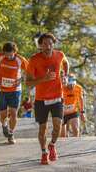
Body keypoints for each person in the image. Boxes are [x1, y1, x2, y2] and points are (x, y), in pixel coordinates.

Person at [26, 33, 69, 165]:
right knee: (42, 128)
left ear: (53, 44)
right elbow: (28, 83)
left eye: (50, 43)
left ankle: (52, 145)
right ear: (40, 45)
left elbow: (66, 63)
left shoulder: (59, 55)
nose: (48, 46)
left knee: (57, 126)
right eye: (45, 44)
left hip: (57, 97)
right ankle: (44, 152)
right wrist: (43, 79)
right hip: (41, 99)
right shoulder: (34, 60)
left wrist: (66, 75)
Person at [0, 42, 28, 144]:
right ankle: (4, 125)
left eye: (11, 54)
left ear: (15, 52)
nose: (9, 57)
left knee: (14, 113)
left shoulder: (20, 60)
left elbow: (29, 71)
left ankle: (11, 133)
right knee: (2, 115)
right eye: (6, 54)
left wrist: (21, 79)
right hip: (1, 90)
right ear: (3, 52)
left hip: (15, 90)